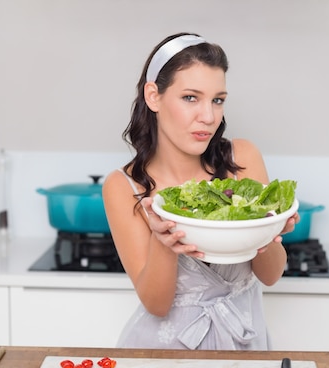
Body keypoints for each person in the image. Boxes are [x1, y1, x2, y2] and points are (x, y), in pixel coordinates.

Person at [102, 33, 299, 350]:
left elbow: (271, 275)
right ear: (154, 96)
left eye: (217, 100)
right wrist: (163, 243)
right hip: (166, 356)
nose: (208, 117)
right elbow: (157, 305)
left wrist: (269, 230)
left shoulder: (242, 159)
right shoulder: (125, 186)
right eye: (191, 98)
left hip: (246, 347)